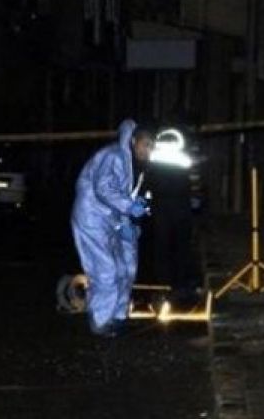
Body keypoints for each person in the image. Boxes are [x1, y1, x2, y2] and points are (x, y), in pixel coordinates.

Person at [71, 119, 154, 337]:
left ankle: (117, 317)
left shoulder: (134, 165)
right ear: (134, 141)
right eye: (146, 144)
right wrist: (129, 207)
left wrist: (129, 221)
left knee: (125, 267)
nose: (148, 151)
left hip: (111, 220)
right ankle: (101, 320)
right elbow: (104, 189)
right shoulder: (114, 156)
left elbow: (123, 196)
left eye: (152, 146)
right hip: (92, 218)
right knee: (106, 270)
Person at [146, 127, 198, 307]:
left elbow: (149, 183)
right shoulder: (184, 159)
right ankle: (180, 288)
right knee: (180, 249)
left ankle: (164, 287)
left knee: (162, 250)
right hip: (179, 208)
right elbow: (191, 183)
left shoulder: (153, 158)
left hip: (162, 208)